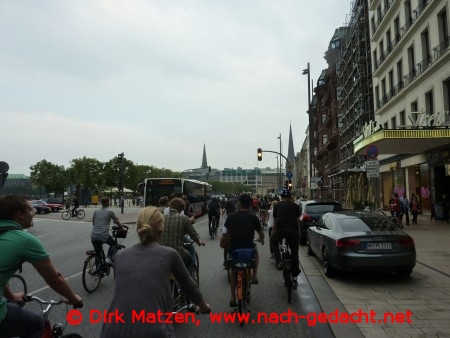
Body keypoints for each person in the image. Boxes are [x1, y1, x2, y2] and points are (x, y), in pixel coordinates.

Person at [100, 206, 210, 338]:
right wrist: (203, 306)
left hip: (112, 331)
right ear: (161, 230)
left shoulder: (119, 256)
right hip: (154, 331)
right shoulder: (169, 254)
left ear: (138, 228)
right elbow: (189, 287)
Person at [0, 195, 82, 338]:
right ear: (20, 214)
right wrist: (73, 298)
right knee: (37, 324)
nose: (34, 213)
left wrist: (11, 296)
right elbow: (54, 279)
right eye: (31, 210)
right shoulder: (24, 239)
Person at [223, 194, 264, 307]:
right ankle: (254, 275)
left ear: (239, 203)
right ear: (250, 205)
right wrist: (261, 239)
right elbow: (261, 234)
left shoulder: (231, 217)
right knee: (256, 254)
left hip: (234, 250)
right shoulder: (253, 218)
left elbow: (227, 234)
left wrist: (227, 239)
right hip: (248, 249)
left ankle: (232, 297)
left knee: (234, 271)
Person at [160, 197, 205, 272]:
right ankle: (186, 279)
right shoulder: (184, 218)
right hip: (176, 252)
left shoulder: (161, 218)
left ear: (170, 206)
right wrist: (199, 242)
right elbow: (192, 233)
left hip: (161, 252)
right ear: (181, 209)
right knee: (190, 260)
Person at [270, 188, 301, 290]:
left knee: (273, 241)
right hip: (293, 231)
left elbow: (275, 221)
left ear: (281, 197)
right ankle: (295, 277)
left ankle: (279, 261)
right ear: (290, 196)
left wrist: (274, 231)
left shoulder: (277, 205)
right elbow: (297, 220)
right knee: (295, 254)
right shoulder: (295, 206)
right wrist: (298, 233)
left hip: (280, 230)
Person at [91, 197, 125, 266]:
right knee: (114, 244)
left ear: (101, 203)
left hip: (93, 236)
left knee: (98, 252)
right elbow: (117, 222)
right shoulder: (110, 212)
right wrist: (122, 229)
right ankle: (109, 258)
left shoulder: (96, 211)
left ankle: (98, 270)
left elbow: (94, 223)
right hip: (103, 235)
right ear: (107, 203)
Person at [220, 200, 236, 267]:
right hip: (234, 231)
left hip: (225, 231)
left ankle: (225, 262)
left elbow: (223, 223)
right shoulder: (235, 213)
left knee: (225, 248)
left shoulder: (225, 213)